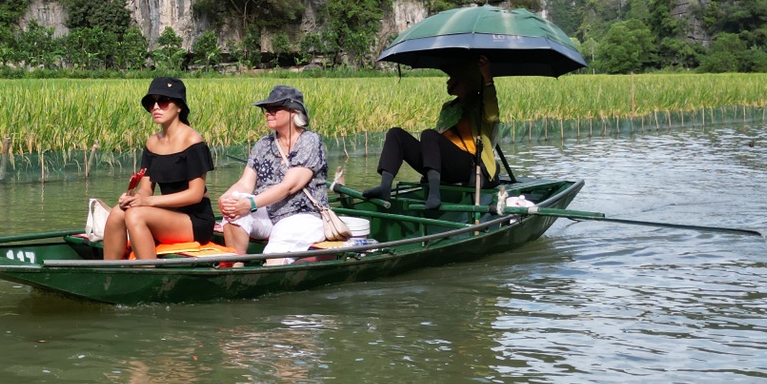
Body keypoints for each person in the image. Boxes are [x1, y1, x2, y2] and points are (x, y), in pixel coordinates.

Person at [357, 56, 498, 211]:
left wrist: (487, 78)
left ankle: (434, 194)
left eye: (452, 78)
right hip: (441, 163)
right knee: (396, 134)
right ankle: (385, 186)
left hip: (467, 165)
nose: (448, 82)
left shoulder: (479, 105)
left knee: (428, 135)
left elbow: (492, 116)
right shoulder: (449, 107)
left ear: (464, 82)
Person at [102, 75, 216, 260]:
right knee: (117, 213)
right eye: (151, 103)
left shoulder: (193, 141)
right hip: (164, 213)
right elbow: (146, 188)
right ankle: (109, 271)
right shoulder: (151, 143)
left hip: (194, 220)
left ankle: (148, 270)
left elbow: (195, 195)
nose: (156, 107)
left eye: (163, 101)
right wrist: (134, 198)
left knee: (135, 216)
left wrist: (147, 202)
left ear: (179, 107)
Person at [217, 84, 330, 256]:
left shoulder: (309, 141)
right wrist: (226, 198)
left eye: (275, 109)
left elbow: (288, 187)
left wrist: (250, 204)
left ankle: (271, 264)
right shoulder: (264, 144)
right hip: (268, 214)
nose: (268, 113)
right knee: (234, 204)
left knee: (274, 253)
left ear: (293, 111)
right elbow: (245, 183)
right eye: (266, 109)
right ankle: (236, 264)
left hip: (300, 216)